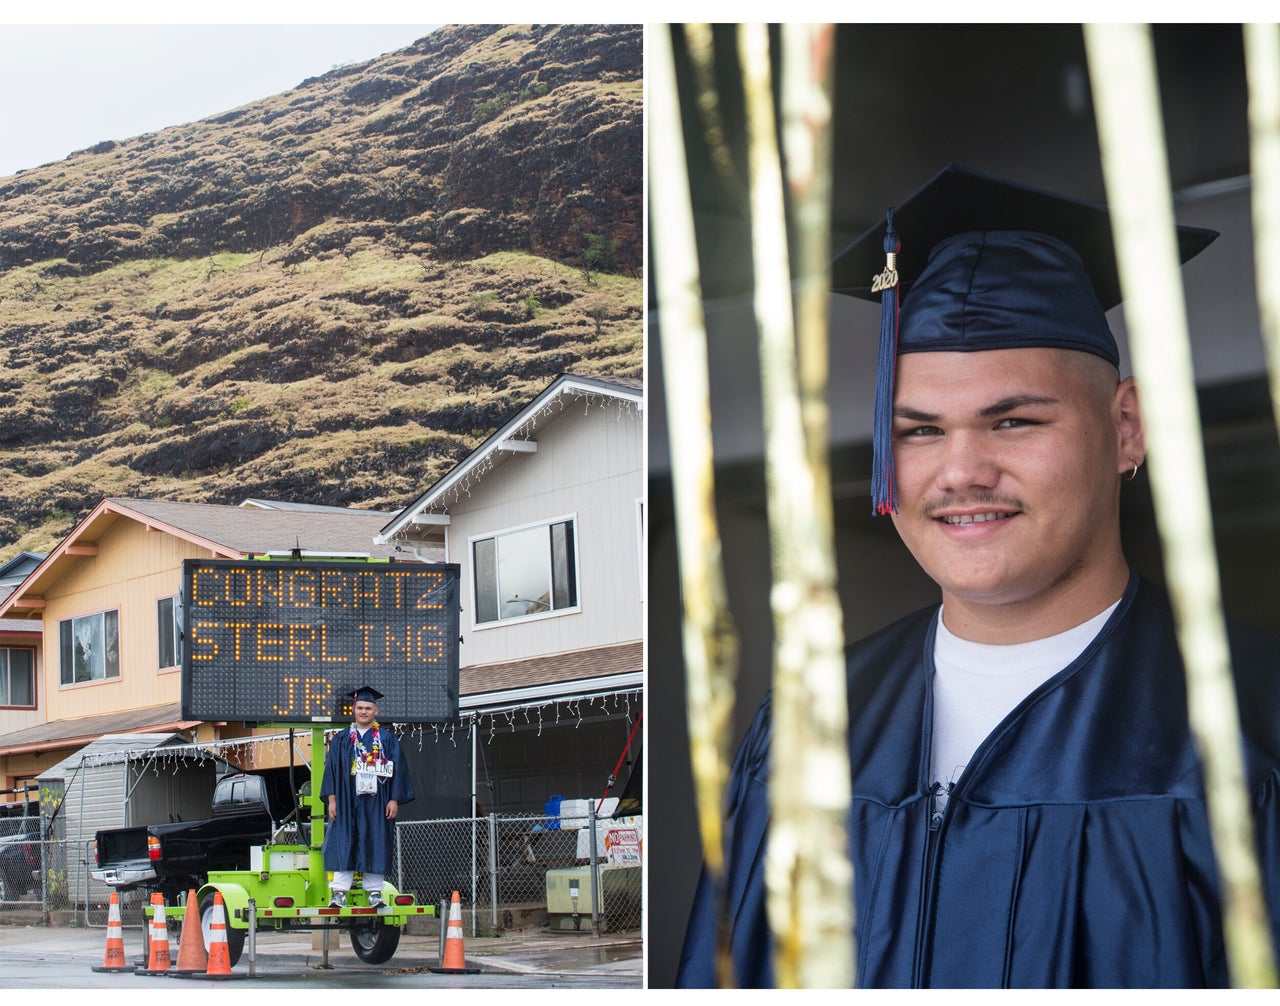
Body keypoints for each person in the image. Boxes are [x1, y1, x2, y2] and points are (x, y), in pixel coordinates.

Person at [676, 164, 1280, 988]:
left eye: (1014, 421)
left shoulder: (1249, 730)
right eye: (921, 431)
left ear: (1127, 427)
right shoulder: (805, 731)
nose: (961, 472)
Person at [320, 685, 414, 907]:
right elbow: (331, 770)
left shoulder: (386, 740)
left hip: (376, 799)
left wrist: (393, 799)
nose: (363, 712)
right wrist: (332, 800)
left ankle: (374, 892)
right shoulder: (342, 740)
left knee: (376, 840)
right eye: (360, 707)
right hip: (346, 798)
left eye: (368, 708)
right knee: (344, 840)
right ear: (354, 710)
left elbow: (398, 769)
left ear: (376, 711)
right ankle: (339, 892)